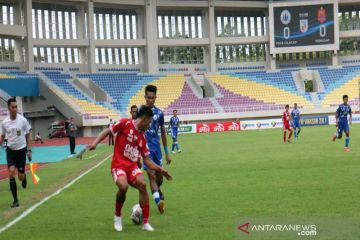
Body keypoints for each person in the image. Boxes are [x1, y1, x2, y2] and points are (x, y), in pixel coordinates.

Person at [87, 105, 172, 232]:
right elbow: (108, 131)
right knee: (123, 186)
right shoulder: (125, 123)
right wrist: (95, 142)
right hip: (118, 165)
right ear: (143, 119)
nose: (149, 126)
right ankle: (117, 216)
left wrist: (161, 170)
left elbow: (147, 160)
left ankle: (146, 223)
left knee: (143, 184)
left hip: (132, 167)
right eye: (148, 123)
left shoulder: (142, 137)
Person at [143, 85, 171, 214]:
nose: (150, 100)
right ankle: (158, 202)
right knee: (151, 175)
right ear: (145, 97)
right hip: (145, 150)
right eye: (148, 98)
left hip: (157, 149)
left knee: (159, 178)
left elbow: (163, 133)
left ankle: (158, 190)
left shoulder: (159, 113)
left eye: (152, 98)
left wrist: (167, 153)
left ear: (155, 98)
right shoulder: (140, 112)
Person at [0, 98, 32, 208]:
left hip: (22, 150)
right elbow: (3, 136)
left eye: (16, 107)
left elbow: (28, 134)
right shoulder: (5, 122)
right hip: (10, 151)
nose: (15, 109)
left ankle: (24, 177)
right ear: (9, 108)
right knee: (11, 173)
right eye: (13, 107)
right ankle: (15, 201)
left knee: (20, 177)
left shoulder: (22, 120)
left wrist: (29, 150)